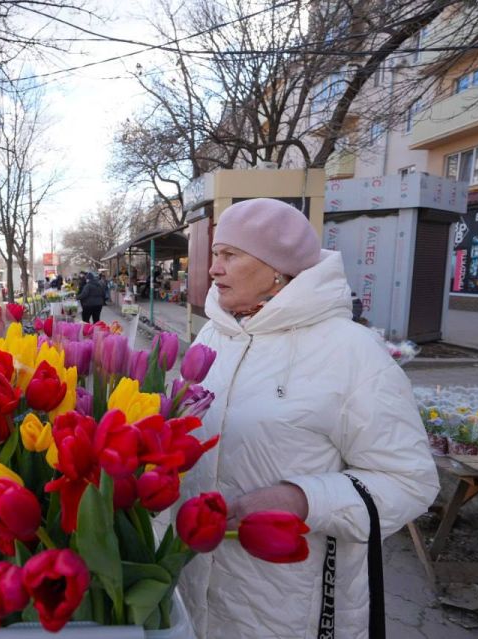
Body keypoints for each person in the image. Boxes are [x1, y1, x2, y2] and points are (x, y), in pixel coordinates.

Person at [177, 198, 439, 638]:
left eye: (230, 255)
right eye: (215, 254)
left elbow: (410, 481)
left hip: (289, 601)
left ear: (277, 267)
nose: (213, 269)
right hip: (195, 584)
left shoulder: (350, 350)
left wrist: (306, 499)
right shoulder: (214, 334)